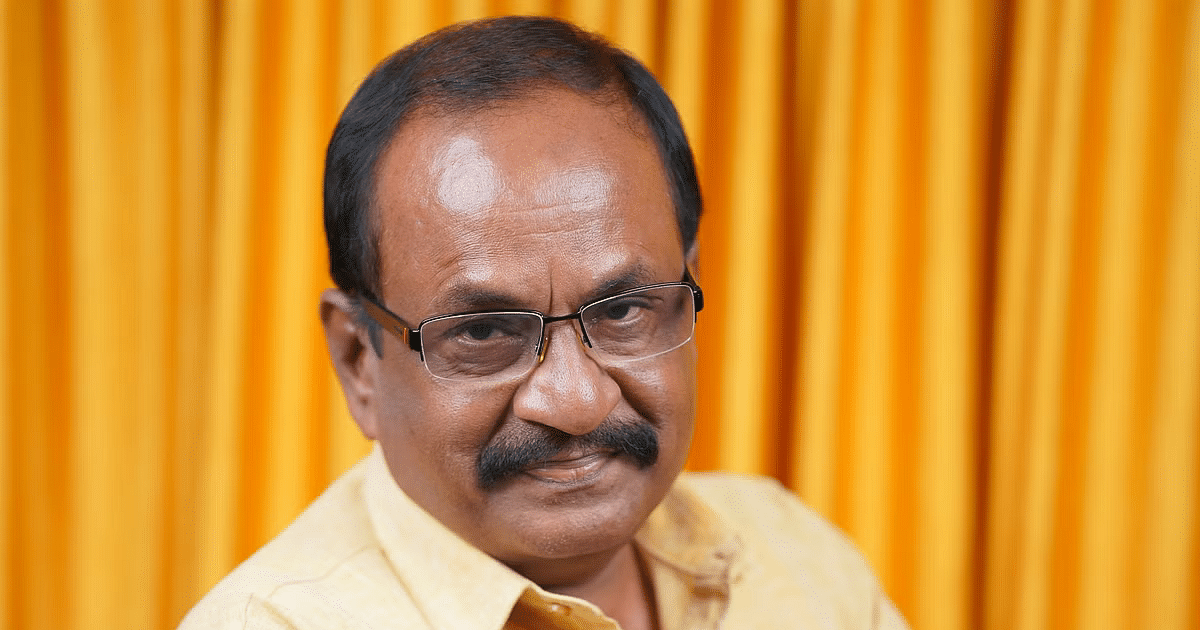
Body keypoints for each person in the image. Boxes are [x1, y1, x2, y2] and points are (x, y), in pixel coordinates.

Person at [180, 15, 908, 630]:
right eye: (484, 332)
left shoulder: (796, 557)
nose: (576, 400)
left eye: (622, 310)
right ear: (357, 360)